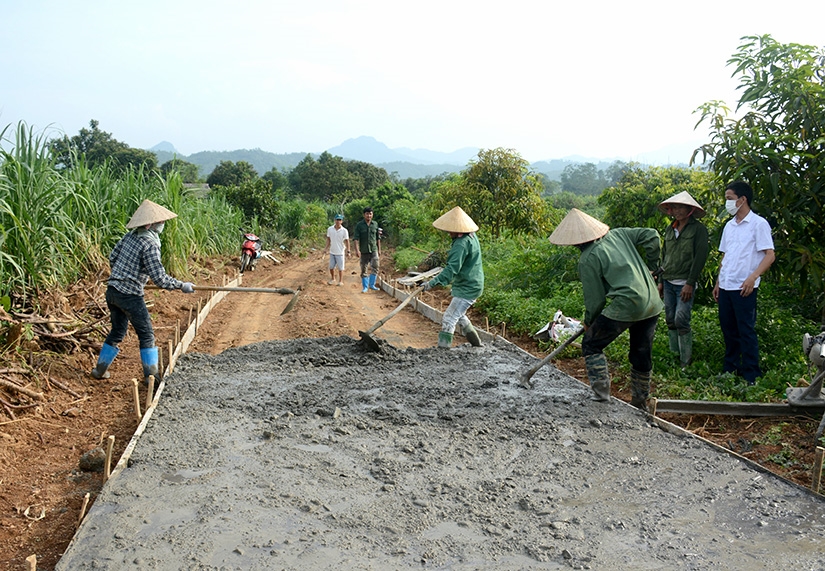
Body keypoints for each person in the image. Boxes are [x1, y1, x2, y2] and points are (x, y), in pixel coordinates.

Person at [549, 208, 663, 409]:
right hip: (652, 301)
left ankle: (601, 394)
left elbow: (595, 300)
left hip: (628, 304)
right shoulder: (619, 234)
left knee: (591, 344)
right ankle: (639, 401)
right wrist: (653, 267)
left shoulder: (588, 258)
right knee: (641, 352)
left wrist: (589, 321)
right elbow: (652, 235)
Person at [90, 200, 195, 384]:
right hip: (129, 296)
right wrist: (181, 285)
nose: (162, 225)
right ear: (150, 224)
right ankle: (152, 378)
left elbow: (113, 257)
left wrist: (124, 275)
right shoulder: (150, 245)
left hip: (113, 290)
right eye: (159, 222)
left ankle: (99, 370)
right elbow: (160, 278)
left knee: (117, 332)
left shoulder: (130, 236)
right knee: (147, 335)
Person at [712, 181, 775, 385]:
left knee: (746, 330)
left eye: (729, 198)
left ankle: (751, 374)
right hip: (727, 285)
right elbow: (725, 256)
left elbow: (769, 255)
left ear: (742, 199)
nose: (727, 203)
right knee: (728, 329)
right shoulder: (729, 226)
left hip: (744, 287)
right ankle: (730, 369)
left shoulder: (759, 224)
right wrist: (718, 281)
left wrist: (753, 276)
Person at [657, 191, 710, 368]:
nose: (677, 211)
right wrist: (660, 281)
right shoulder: (670, 229)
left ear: (690, 210)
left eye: (681, 207)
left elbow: (700, 257)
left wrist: (690, 282)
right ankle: (674, 356)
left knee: (681, 319)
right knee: (670, 318)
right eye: (675, 207)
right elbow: (664, 255)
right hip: (668, 280)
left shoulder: (698, 230)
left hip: (685, 283)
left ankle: (685, 362)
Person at [422, 206, 484, 348]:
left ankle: (443, 352)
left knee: (449, 318)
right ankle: (478, 345)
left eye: (451, 229)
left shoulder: (461, 244)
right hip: (472, 283)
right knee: (459, 315)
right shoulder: (471, 236)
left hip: (468, 287)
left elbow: (451, 269)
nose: (448, 231)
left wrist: (431, 283)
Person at [352, 206, 381, 293]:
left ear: (372, 215)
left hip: (373, 249)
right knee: (364, 269)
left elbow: (378, 238)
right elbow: (356, 239)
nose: (369, 216)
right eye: (367, 214)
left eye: (370, 214)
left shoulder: (375, 224)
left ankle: (372, 285)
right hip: (364, 250)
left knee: (375, 266)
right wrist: (357, 250)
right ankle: (365, 287)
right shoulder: (359, 225)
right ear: (364, 215)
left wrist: (379, 249)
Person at [325, 214, 350, 286]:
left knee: (341, 268)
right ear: (334, 220)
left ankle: (341, 281)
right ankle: (333, 279)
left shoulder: (344, 231)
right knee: (331, 267)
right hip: (332, 251)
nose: (338, 221)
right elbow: (328, 240)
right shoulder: (330, 229)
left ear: (342, 221)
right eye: (337, 220)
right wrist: (325, 249)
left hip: (340, 252)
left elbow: (347, 241)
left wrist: (348, 251)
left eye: (339, 220)